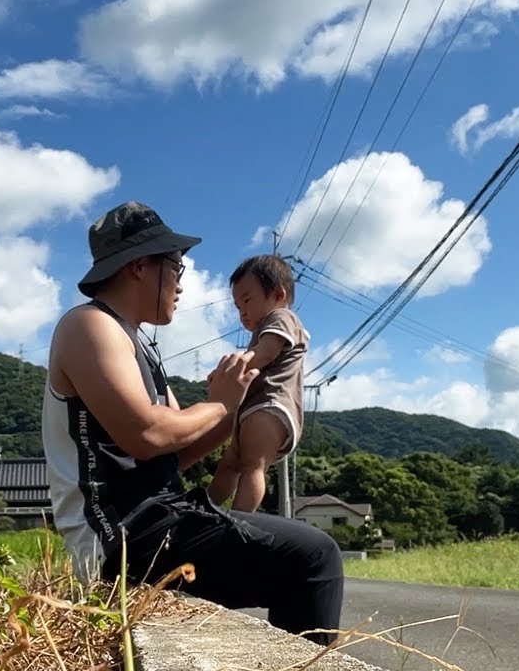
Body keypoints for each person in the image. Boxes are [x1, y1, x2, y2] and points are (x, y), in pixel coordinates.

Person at [41, 201, 343, 645]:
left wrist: (233, 405)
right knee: (313, 557)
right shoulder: (89, 325)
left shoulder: (137, 344)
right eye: (177, 268)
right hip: (122, 538)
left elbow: (174, 452)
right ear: (140, 266)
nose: (182, 284)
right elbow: (148, 434)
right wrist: (220, 406)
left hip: (155, 524)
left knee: (306, 557)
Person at [207, 255, 309, 512]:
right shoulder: (266, 323)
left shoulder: (282, 317)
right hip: (254, 407)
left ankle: (239, 521)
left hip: (271, 404)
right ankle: (205, 509)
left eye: (247, 301)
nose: (242, 312)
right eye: (237, 306)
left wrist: (230, 371)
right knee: (230, 463)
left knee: (254, 464)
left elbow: (265, 353)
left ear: (277, 294)